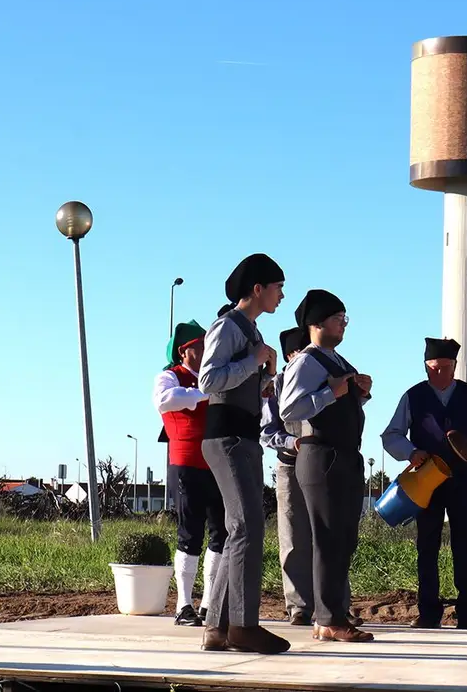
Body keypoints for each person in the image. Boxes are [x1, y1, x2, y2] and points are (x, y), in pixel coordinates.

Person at [197, 253, 289, 655]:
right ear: (258, 289)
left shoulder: (250, 333)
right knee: (248, 525)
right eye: (277, 288)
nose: (282, 296)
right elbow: (208, 379)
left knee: (241, 528)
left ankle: (217, 628)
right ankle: (243, 625)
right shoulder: (227, 327)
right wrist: (253, 361)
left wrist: (265, 374)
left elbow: (246, 383)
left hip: (245, 436)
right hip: (227, 435)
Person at [380, 337, 467, 630]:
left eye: (444, 368)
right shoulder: (413, 396)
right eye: (433, 368)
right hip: (426, 482)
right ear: (426, 366)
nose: (438, 373)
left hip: (463, 479)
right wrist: (410, 452)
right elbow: (391, 434)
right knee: (427, 545)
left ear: (455, 367)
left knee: (466, 545)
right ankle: (428, 613)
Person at [279, 289, 375, 643]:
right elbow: (289, 409)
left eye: (344, 319)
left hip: (346, 456)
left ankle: (328, 617)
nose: (343, 325)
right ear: (315, 324)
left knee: (343, 538)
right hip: (322, 456)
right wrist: (328, 394)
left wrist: (360, 391)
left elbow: (344, 400)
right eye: (338, 319)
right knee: (329, 538)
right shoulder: (305, 362)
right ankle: (330, 618)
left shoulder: (339, 361)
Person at [153, 319, 227, 627]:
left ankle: (209, 602)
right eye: (200, 346)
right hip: (186, 464)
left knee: (220, 534)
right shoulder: (170, 377)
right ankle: (184, 604)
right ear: (185, 351)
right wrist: (202, 394)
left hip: (217, 464)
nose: (206, 350)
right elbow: (164, 400)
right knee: (189, 534)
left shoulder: (213, 377)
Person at [259, 326, 313, 625]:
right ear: (291, 355)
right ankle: (299, 607)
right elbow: (267, 431)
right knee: (292, 536)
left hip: (324, 467)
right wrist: (294, 443)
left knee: (328, 538)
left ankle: (334, 606)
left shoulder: (324, 381)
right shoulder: (275, 385)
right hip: (290, 465)